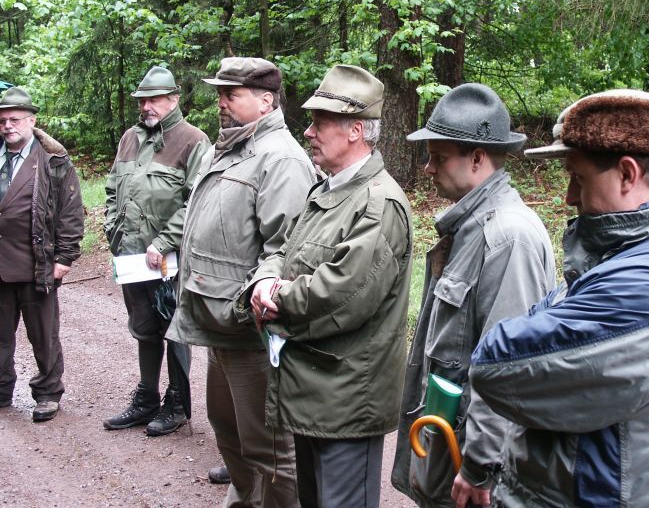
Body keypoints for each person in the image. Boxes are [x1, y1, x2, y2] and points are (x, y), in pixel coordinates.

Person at [470, 89, 649, 507]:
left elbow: (495, 365)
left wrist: (551, 311)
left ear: (627, 174)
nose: (569, 197)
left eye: (577, 177)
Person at [242, 64, 414, 508]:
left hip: (348, 400)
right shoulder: (326, 191)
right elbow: (284, 248)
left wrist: (276, 299)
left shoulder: (379, 203)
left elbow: (344, 294)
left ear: (356, 130)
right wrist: (265, 279)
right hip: (314, 392)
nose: (309, 131)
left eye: (320, 122)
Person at [391, 83, 557, 508]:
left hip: (472, 468)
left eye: (439, 157)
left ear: (478, 158)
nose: (428, 168)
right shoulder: (471, 229)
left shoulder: (507, 238)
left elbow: (509, 369)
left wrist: (481, 464)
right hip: (450, 452)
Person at [167, 57, 316, 508]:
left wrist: (250, 304)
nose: (221, 102)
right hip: (219, 324)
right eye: (219, 93)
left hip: (252, 332)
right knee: (228, 432)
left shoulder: (281, 159)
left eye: (231, 94)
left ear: (266, 101)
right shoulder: (230, 147)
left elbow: (286, 251)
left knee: (268, 450)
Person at [103, 66, 209, 436]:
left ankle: (177, 404)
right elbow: (113, 188)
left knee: (174, 329)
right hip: (132, 257)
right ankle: (146, 398)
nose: (146, 106)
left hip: (170, 261)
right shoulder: (130, 138)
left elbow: (195, 201)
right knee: (144, 328)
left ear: (174, 99)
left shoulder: (193, 140)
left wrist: (163, 243)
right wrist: (112, 230)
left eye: (154, 99)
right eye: (142, 100)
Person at [0, 87, 84, 422]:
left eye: (15, 119)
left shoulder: (53, 160)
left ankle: (48, 394)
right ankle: (2, 389)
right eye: (2, 120)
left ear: (32, 121)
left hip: (38, 263)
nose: (8, 125)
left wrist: (64, 257)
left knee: (44, 336)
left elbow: (70, 211)